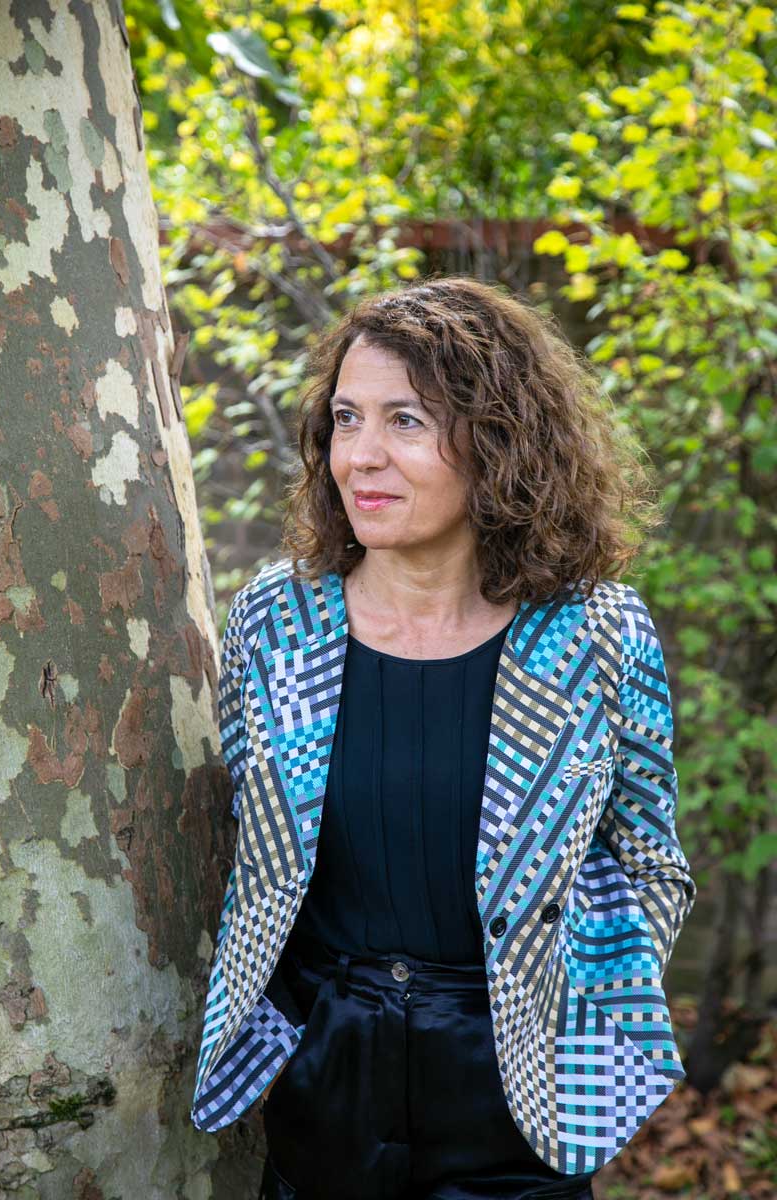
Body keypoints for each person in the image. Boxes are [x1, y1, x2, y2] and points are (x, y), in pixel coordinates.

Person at [191, 277, 697, 1200]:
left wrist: (579, 1020)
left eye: (406, 422)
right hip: (321, 1078)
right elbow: (252, 856)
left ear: (496, 443)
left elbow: (649, 862)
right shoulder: (274, 619)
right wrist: (298, 1032)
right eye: (346, 419)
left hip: (518, 1084)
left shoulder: (596, 634)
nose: (362, 457)